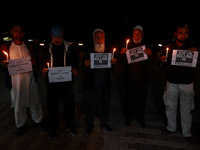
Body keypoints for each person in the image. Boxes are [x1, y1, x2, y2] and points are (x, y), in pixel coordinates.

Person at [0, 24, 44, 136]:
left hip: (30, 79)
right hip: (15, 82)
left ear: (24, 33)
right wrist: (4, 65)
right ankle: (21, 125)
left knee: (34, 101)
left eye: (21, 31)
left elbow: (37, 60)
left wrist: (35, 62)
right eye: (16, 31)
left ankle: (38, 121)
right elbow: (2, 64)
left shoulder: (29, 46)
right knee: (19, 103)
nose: (18, 34)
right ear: (11, 32)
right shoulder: (6, 47)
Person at [159, 24, 198, 144]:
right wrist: (161, 60)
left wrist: (196, 54)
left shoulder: (192, 47)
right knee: (170, 106)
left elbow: (197, 64)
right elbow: (161, 66)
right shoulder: (168, 48)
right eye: (180, 33)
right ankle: (171, 128)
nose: (183, 36)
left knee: (186, 110)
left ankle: (187, 133)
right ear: (175, 34)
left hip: (187, 83)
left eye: (186, 33)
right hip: (172, 83)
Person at [41, 26, 79, 138]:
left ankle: (70, 125)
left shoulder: (69, 48)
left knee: (69, 105)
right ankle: (53, 127)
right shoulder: (47, 49)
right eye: (55, 37)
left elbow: (75, 63)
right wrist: (42, 70)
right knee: (52, 106)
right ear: (51, 36)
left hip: (67, 83)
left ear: (63, 36)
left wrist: (75, 69)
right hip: (52, 84)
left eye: (59, 37)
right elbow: (42, 63)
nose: (57, 39)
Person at [82, 29, 117, 134]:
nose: (99, 39)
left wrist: (113, 64)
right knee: (91, 104)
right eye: (97, 37)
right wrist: (85, 65)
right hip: (91, 83)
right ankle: (90, 124)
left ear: (104, 37)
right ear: (93, 38)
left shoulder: (108, 50)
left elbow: (111, 69)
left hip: (104, 83)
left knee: (104, 103)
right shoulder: (88, 50)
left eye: (101, 37)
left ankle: (104, 122)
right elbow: (82, 68)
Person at [118, 25, 152, 128]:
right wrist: (122, 54)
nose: (136, 36)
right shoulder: (128, 46)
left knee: (141, 100)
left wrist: (150, 55)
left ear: (142, 34)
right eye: (134, 34)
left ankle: (140, 118)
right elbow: (122, 62)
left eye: (138, 34)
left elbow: (151, 62)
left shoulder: (146, 46)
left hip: (142, 79)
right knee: (129, 99)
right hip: (130, 78)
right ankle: (129, 117)